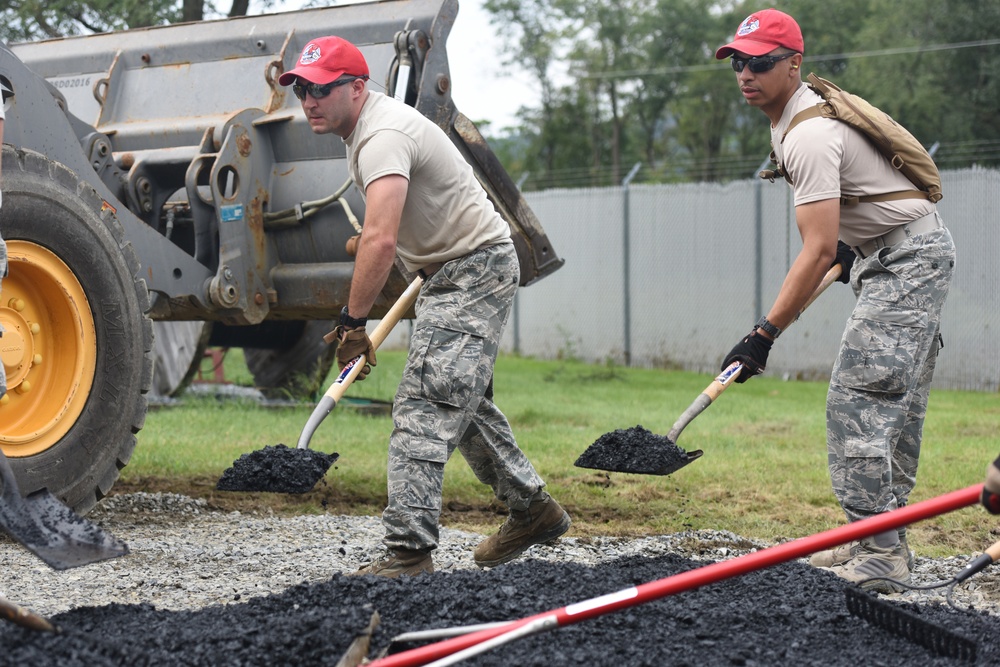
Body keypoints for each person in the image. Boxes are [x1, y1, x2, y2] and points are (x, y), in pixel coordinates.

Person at [277, 36, 570, 578]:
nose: (308, 100)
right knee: (460, 404)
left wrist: (351, 323)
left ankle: (409, 553)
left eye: (320, 89)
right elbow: (392, 232)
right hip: (447, 270)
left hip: (473, 269)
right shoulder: (367, 128)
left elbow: (380, 241)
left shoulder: (382, 135)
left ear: (357, 87)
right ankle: (534, 510)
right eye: (300, 89)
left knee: (424, 405)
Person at [715, 9, 955, 593]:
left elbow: (815, 249)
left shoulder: (809, 134)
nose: (746, 73)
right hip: (897, 254)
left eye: (761, 62)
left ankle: (880, 554)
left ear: (793, 64)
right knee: (892, 409)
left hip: (906, 263)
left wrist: (762, 334)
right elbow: (848, 219)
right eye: (739, 62)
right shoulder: (793, 118)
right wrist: (854, 246)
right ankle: (880, 539)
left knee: (859, 405)